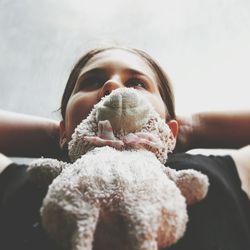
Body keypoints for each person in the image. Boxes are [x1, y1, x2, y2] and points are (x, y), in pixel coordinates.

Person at [0, 46, 249, 250]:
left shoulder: (218, 176)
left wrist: (190, 129)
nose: (112, 85)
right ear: (62, 129)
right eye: (91, 81)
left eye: (137, 83)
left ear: (171, 128)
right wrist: (65, 137)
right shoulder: (24, 181)